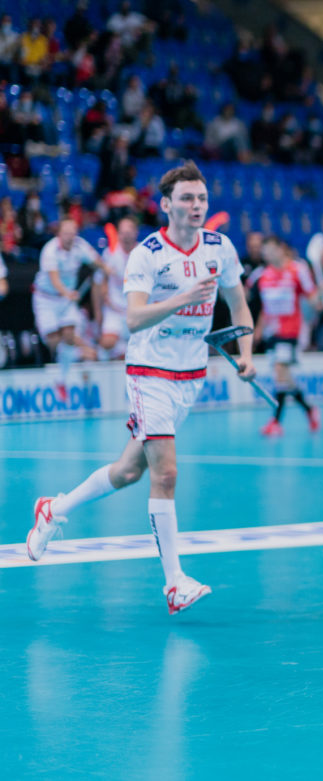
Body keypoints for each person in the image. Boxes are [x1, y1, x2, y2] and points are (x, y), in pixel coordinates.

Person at [25, 161, 257, 614]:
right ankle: (174, 583)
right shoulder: (148, 254)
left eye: (202, 198)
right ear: (166, 205)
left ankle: (53, 510)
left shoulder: (220, 248)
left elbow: (238, 306)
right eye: (187, 199)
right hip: (149, 370)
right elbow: (132, 319)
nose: (196, 206)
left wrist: (245, 353)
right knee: (165, 473)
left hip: (190, 376)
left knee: (129, 471)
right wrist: (181, 300)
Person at [248, 236, 321, 436]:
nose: (267, 254)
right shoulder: (263, 276)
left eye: (271, 249)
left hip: (291, 331)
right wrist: (259, 329)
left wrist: (321, 294)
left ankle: (275, 422)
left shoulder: (298, 270)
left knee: (280, 371)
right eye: (265, 251)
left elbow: (313, 299)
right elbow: (266, 307)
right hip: (272, 332)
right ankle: (309, 409)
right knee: (284, 378)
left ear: (281, 249)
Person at [32, 218, 110, 394]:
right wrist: (67, 293)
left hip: (66, 301)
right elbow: (54, 279)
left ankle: (62, 378)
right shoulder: (50, 251)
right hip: (46, 299)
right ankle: (83, 353)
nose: (70, 237)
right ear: (59, 234)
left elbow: (95, 261)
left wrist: (105, 268)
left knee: (69, 334)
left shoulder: (80, 245)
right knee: (53, 340)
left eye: (73, 233)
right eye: (66, 233)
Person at [95, 215, 139, 359]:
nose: (126, 236)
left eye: (129, 232)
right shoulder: (110, 254)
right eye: (123, 233)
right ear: (118, 234)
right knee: (107, 343)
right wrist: (99, 314)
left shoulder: (143, 254)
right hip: (114, 311)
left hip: (136, 311)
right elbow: (99, 282)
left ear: (135, 232)